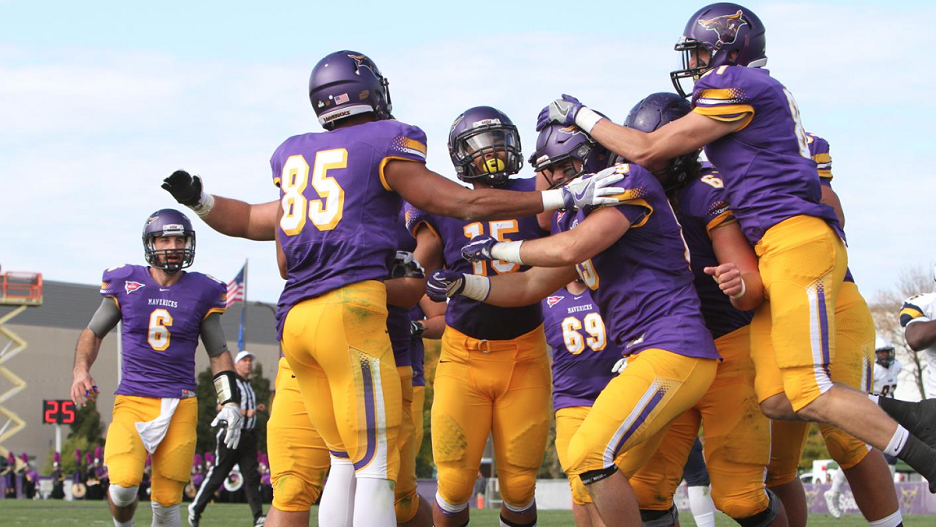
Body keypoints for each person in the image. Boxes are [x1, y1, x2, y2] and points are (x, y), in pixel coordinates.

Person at [162, 50, 624, 527]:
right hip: (350, 314)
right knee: (376, 466)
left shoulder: (299, 155)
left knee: (342, 459)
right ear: (370, 91)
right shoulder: (385, 140)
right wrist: (561, 194)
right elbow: (461, 204)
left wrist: (201, 199)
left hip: (295, 321)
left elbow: (252, 220)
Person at [535, 1, 936, 492]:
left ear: (730, 46)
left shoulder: (742, 85)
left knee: (811, 390)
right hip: (776, 248)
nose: (695, 64)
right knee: (776, 397)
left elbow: (645, 149)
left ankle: (926, 456)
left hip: (795, 238)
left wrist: (579, 114)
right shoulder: (744, 102)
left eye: (700, 51)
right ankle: (914, 413)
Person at [434, 159, 722, 524]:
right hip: (642, 356)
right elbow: (529, 284)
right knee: (602, 484)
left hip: (670, 345)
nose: (555, 176)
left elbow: (571, 248)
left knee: (591, 458)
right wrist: (466, 285)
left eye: (561, 165)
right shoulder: (571, 220)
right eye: (549, 169)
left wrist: (499, 250)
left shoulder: (624, 183)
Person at [603, 94, 782, 527]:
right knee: (645, 491)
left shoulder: (703, 191)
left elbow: (750, 287)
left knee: (739, 498)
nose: (646, 162)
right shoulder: (626, 196)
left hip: (728, 343)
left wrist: (738, 286)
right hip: (671, 349)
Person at [405, 106, 552, 527]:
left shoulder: (535, 192)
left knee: (521, 485)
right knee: (452, 485)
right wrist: (435, 304)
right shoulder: (445, 205)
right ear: (460, 154)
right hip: (463, 356)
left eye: (500, 138)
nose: (494, 151)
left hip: (524, 354)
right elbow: (417, 270)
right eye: (482, 142)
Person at [70, 209, 243, 527]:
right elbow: (93, 332)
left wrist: (229, 400)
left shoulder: (202, 290)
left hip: (182, 403)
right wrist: (81, 370)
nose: (173, 246)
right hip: (134, 399)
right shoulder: (126, 281)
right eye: (165, 239)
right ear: (151, 244)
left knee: (166, 504)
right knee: (122, 487)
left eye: (179, 239)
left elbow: (218, 352)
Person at [764, 132, 901, 527]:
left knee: (847, 437)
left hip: (830, 299)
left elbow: (832, 215)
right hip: (770, 316)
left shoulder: (786, 143)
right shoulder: (705, 167)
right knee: (776, 467)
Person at [189, 350, 266, 526]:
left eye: (249, 361)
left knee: (252, 476)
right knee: (219, 473)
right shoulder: (232, 383)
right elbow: (220, 406)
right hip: (231, 435)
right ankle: (196, 507)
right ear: (236, 364)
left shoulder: (248, 385)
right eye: (244, 360)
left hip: (248, 437)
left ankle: (258, 516)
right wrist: (246, 412)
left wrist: (254, 410)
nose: (248, 364)